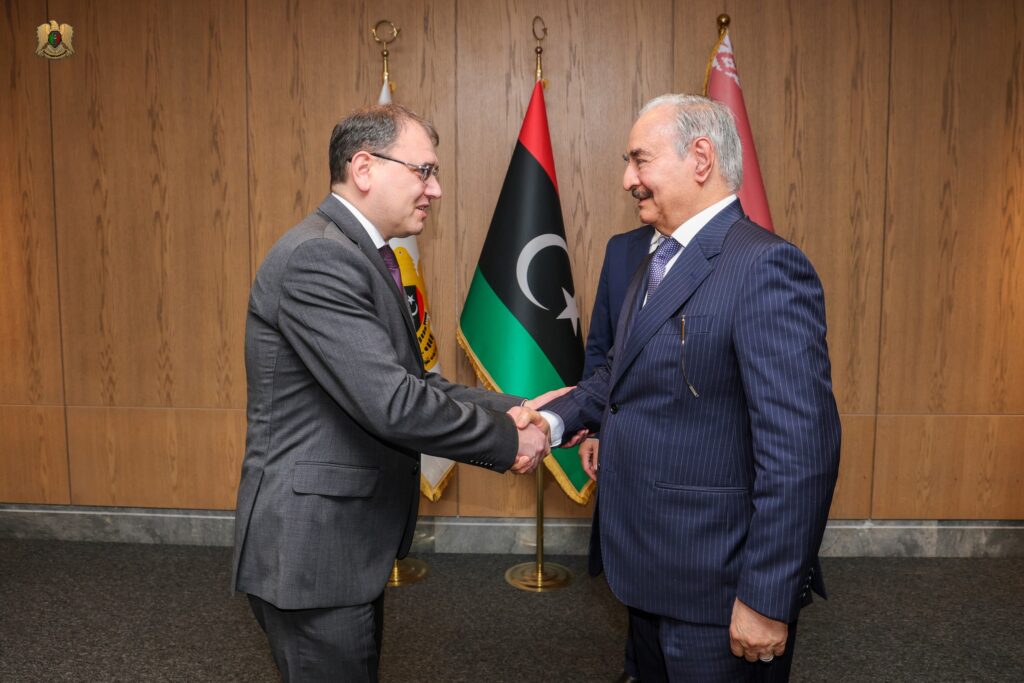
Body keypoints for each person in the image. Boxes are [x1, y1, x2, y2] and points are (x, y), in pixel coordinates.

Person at [232, 104, 550, 682]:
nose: (437, 189)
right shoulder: (319, 258)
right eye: (423, 171)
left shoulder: (359, 253)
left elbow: (414, 383)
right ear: (364, 167)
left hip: (341, 543)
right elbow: (393, 404)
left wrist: (522, 408)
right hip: (312, 551)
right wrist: (510, 440)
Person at [536, 94, 841, 682]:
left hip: (719, 591)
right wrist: (550, 421)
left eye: (640, 160)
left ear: (700, 158)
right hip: (649, 573)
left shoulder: (765, 268)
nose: (628, 179)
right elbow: (618, 377)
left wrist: (765, 599)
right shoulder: (656, 256)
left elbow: (802, 454)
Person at [579, 224, 657, 683]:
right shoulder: (622, 247)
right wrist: (592, 426)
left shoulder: (746, 256)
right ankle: (638, 663)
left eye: (642, 160)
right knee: (633, 553)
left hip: (685, 465)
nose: (630, 179)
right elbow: (602, 344)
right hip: (622, 440)